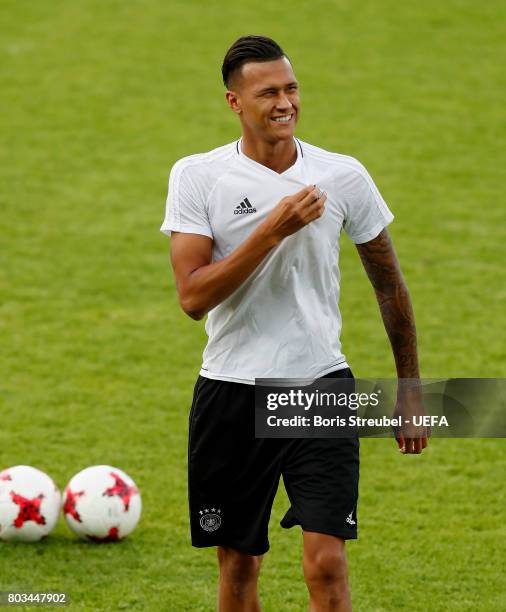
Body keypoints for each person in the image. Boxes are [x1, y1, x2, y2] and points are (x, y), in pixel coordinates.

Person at [161, 35, 428, 612]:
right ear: (235, 102)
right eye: (268, 93)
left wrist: (409, 387)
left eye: (291, 88)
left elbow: (389, 285)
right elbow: (192, 297)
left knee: (327, 563)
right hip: (232, 390)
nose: (285, 103)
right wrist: (271, 230)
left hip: (320, 385)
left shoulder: (343, 176)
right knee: (238, 564)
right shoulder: (198, 177)